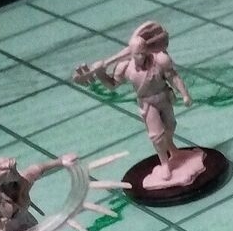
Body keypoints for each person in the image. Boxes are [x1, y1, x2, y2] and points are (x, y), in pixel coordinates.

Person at [74, 21, 191, 181]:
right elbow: (112, 85)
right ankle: (164, 163)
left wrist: (184, 94)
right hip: (147, 103)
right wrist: (101, 74)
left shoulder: (159, 60)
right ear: (132, 53)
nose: (141, 57)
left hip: (163, 97)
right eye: (137, 54)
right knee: (157, 136)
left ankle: (172, 148)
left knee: (170, 126)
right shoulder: (125, 67)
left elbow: (173, 77)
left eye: (143, 53)